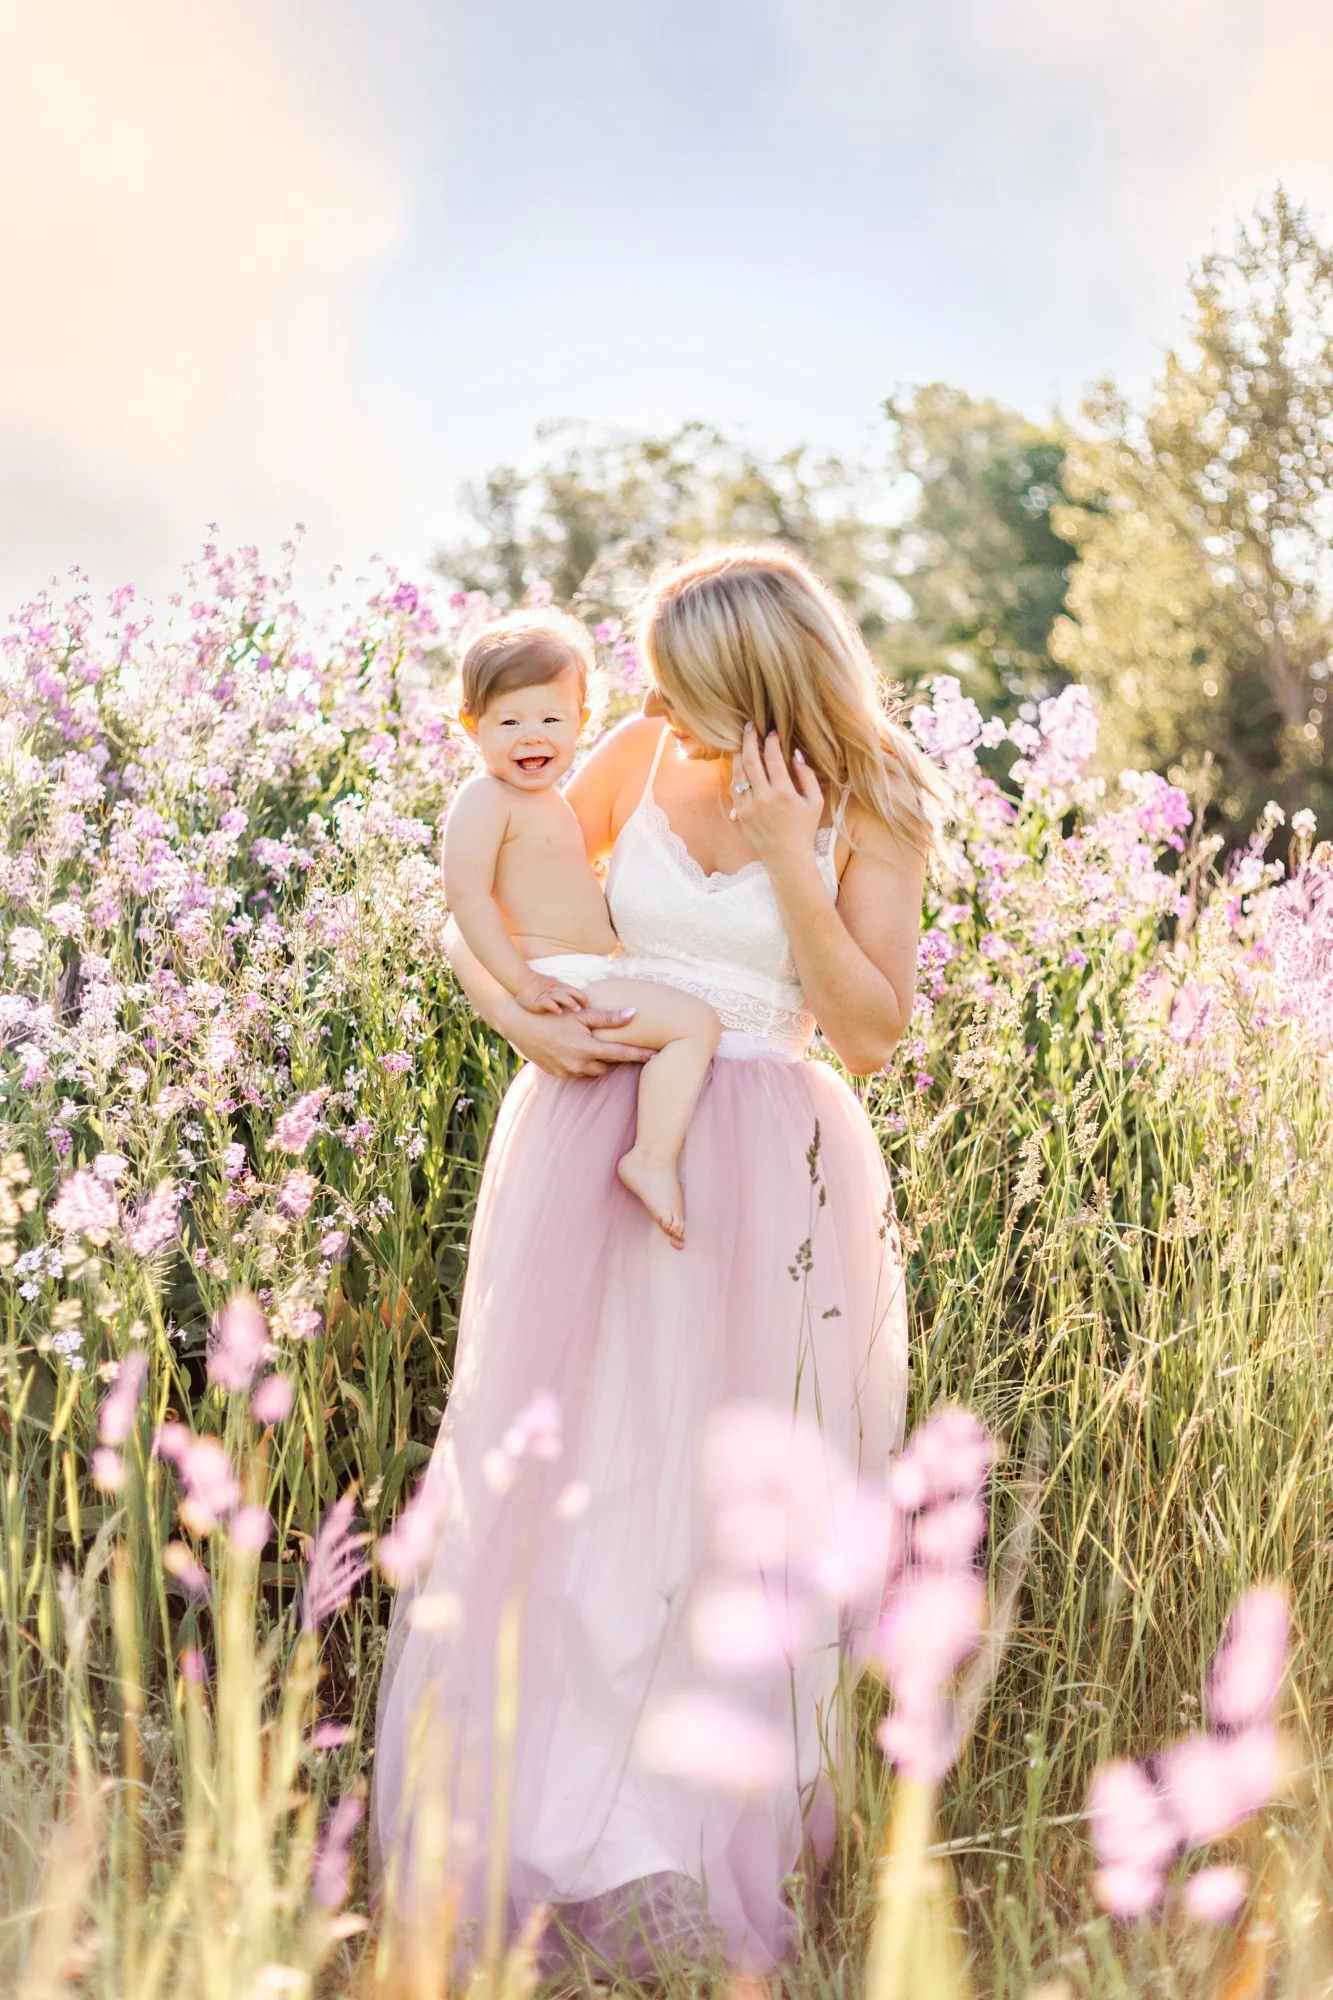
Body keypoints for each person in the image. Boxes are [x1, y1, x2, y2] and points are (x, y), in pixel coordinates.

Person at [372, 546, 939, 1977]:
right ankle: (563, 1835)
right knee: (589, 1480)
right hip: (597, 1133)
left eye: (683, 682)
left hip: (769, 1162)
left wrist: (795, 861)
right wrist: (530, 1031)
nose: (652, 703)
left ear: (753, 681)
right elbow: (497, 897)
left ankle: (695, 1843)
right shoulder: (629, 750)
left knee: (734, 1505)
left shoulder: (881, 799)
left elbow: (869, 1032)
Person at [444, 608, 720, 1246]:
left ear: (581, 724)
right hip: (561, 978)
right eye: (509, 722)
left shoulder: (547, 804)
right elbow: (467, 898)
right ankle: (649, 1159)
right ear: (471, 726)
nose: (531, 737)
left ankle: (649, 1150)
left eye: (550, 719)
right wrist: (524, 986)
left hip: (591, 971)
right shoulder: (485, 800)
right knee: (694, 1024)